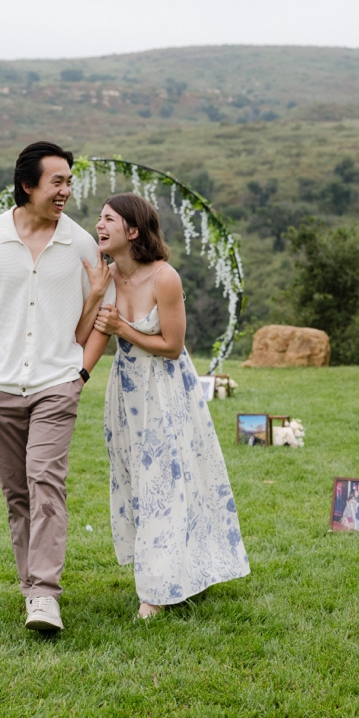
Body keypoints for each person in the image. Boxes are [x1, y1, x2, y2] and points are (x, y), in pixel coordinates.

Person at [0, 141, 113, 631]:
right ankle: (31, 588)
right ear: (28, 186)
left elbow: (98, 317)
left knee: (45, 482)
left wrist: (80, 374)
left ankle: (45, 595)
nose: (67, 191)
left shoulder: (82, 244)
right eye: (58, 182)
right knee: (16, 495)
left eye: (69, 181)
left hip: (55, 384)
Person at [82, 193, 250, 618]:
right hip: (126, 394)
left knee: (167, 480)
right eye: (98, 219)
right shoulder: (107, 277)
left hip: (167, 391)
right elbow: (87, 337)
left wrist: (124, 327)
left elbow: (172, 347)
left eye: (108, 220)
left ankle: (153, 594)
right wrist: (96, 298)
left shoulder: (165, 278)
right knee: (138, 483)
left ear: (133, 231)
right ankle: (172, 571)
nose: (99, 226)